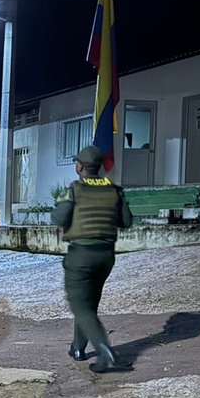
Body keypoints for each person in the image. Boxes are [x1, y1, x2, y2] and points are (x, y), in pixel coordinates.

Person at [50, 145, 134, 373]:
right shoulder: (115, 190)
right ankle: (78, 347)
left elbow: (58, 218)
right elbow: (126, 221)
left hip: (81, 256)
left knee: (80, 306)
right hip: (106, 256)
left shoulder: (74, 189)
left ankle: (107, 354)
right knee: (88, 304)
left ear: (80, 167)